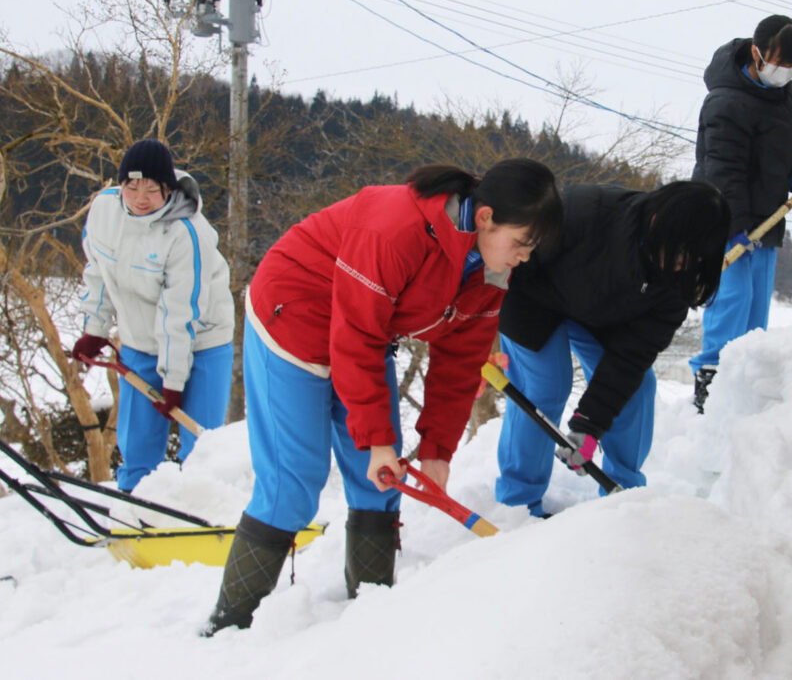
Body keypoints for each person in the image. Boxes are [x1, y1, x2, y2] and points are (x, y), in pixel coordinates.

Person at [203, 159, 563, 634]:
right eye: (520, 242)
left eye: (531, 248)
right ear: (485, 217)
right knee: (295, 481)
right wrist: (376, 438)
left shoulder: (492, 271)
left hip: (364, 335)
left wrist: (437, 451)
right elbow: (355, 336)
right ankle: (228, 628)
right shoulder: (397, 229)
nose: (523, 257)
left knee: (381, 479)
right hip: (293, 314)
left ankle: (369, 621)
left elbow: (458, 363)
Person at [495, 180, 730, 518]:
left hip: (602, 316)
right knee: (545, 387)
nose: (681, 263)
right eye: (678, 251)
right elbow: (511, 261)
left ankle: (621, 499)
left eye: (692, 257)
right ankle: (517, 503)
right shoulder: (581, 212)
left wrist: (589, 424)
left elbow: (630, 357)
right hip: (533, 299)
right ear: (656, 221)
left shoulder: (677, 284)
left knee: (638, 390)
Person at [72, 139, 234, 491]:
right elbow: (98, 271)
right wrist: (95, 329)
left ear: (168, 188)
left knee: (200, 444)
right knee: (138, 442)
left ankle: (203, 514)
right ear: (120, 186)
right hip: (139, 340)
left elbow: (180, 313)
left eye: (152, 188)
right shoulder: (103, 211)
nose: (140, 197)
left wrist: (173, 382)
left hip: (202, 340)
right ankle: (134, 507)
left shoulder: (186, 233)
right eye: (131, 186)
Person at [687, 14, 792, 413]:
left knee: (757, 303)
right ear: (757, 54)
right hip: (722, 214)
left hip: (767, 216)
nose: (785, 73)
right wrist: (733, 228)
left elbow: (774, 147)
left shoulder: (784, 94)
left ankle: (748, 384)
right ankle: (709, 378)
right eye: (779, 63)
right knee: (732, 298)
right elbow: (722, 168)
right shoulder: (725, 100)